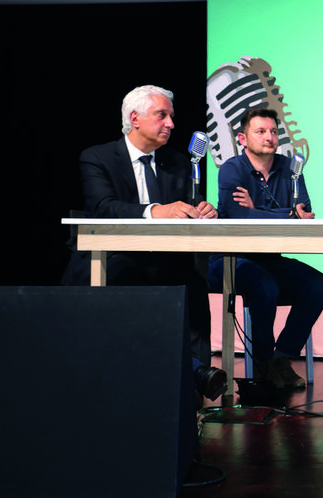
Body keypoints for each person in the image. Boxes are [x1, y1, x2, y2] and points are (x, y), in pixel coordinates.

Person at [76, 85, 227, 405]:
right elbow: (103, 207)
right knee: (128, 286)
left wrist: (203, 209)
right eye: (162, 115)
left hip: (166, 258)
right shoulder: (97, 157)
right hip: (116, 257)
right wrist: (155, 211)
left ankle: (192, 395)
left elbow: (189, 203)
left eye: (171, 116)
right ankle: (193, 373)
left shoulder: (179, 162)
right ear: (135, 118)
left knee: (194, 289)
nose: (171, 124)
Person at [207, 107, 323, 389]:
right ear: (242, 138)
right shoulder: (231, 169)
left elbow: (306, 213)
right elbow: (237, 217)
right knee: (264, 284)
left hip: (270, 258)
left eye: (274, 131)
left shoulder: (290, 167)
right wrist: (285, 214)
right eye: (260, 131)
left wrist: (257, 209)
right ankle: (262, 365)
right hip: (230, 258)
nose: (269, 137)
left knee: (319, 285)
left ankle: (282, 357)